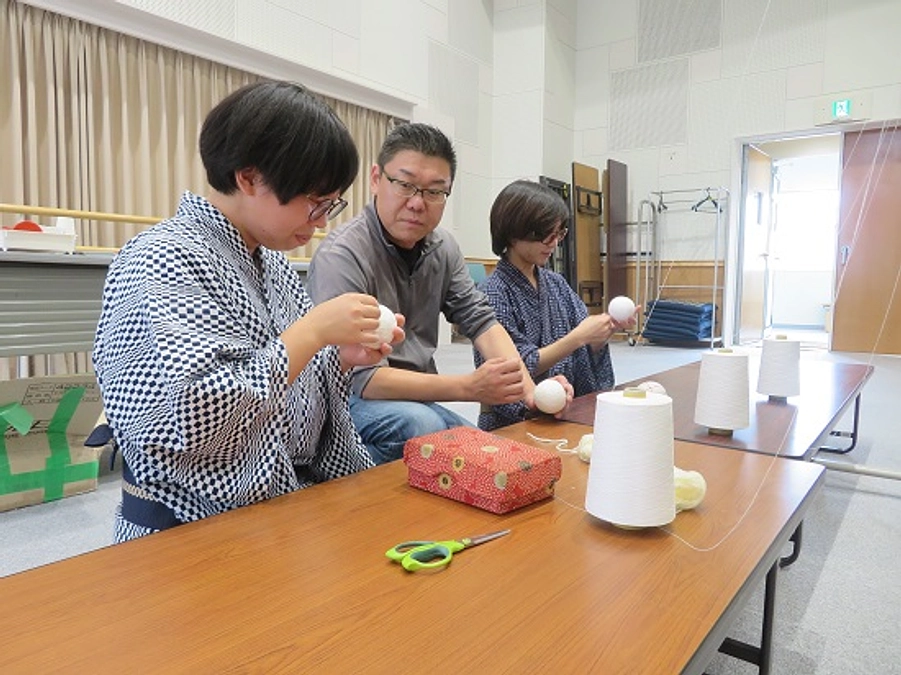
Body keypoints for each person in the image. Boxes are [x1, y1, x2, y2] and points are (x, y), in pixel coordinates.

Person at [93, 81, 401, 543]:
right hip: (187, 531)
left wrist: (338, 359)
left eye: (331, 203)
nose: (322, 220)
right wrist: (314, 332)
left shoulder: (272, 261)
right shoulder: (161, 256)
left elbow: (283, 381)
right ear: (250, 177)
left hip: (274, 513)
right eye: (315, 201)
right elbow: (187, 415)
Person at [307, 123, 571, 464]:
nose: (418, 203)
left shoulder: (443, 246)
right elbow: (363, 379)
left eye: (434, 191)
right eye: (405, 185)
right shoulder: (343, 255)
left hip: (414, 398)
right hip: (347, 401)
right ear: (376, 179)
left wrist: (529, 392)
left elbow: (482, 322)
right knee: (423, 426)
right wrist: (468, 388)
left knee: (481, 450)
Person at [475, 179, 636, 430]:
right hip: (514, 423)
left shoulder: (556, 283)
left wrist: (601, 335)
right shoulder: (492, 292)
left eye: (559, 233)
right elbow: (512, 367)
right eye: (544, 234)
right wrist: (578, 338)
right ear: (512, 230)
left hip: (565, 410)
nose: (554, 242)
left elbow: (584, 349)